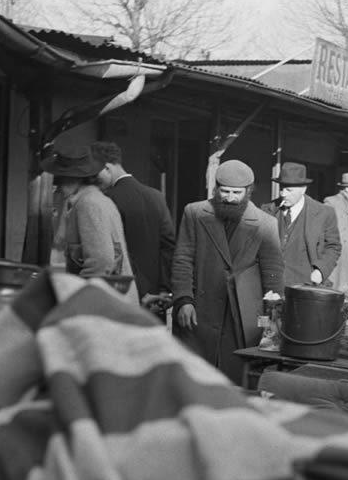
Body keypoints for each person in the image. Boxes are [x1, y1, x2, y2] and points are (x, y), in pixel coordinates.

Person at [171, 159, 284, 383]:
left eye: (236, 192)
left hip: (241, 319)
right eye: (225, 191)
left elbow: (273, 275)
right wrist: (183, 300)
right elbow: (182, 259)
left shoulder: (265, 224)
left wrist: (271, 321)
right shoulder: (194, 213)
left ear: (248, 191)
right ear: (216, 189)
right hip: (199, 313)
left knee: (234, 382)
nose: (230, 198)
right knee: (193, 380)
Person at [40, 145, 138, 303]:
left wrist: (76, 299)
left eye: (61, 179)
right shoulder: (94, 200)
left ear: (73, 179)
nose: (58, 186)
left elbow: (100, 262)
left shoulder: (89, 204)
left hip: (106, 305)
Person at [92, 141, 176, 318]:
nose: (94, 181)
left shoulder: (107, 201)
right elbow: (169, 247)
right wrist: (165, 290)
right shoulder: (157, 197)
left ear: (107, 167)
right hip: (156, 299)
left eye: (95, 174)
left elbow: (116, 253)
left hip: (122, 293)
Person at [261, 162, 341, 288]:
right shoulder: (267, 210)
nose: (283, 194)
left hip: (307, 286)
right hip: (272, 285)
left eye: (289, 190)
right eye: (281, 188)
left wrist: (321, 271)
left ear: (303, 189)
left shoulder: (324, 213)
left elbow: (333, 246)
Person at [323, 171, 348, 291]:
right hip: (338, 252)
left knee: (347, 285)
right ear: (346, 189)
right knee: (335, 285)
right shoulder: (331, 202)